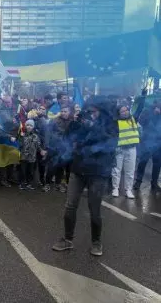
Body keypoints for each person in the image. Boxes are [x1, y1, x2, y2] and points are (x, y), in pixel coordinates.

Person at [52, 97, 118, 257]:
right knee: (70, 205)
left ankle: (96, 242)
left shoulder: (110, 124)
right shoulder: (81, 121)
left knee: (94, 209)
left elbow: (109, 143)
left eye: (93, 111)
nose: (90, 114)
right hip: (78, 169)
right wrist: (74, 123)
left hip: (98, 172)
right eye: (88, 111)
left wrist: (92, 127)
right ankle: (68, 239)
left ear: (100, 111)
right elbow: (68, 138)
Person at [111, 104, 142, 199]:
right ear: (118, 113)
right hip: (119, 149)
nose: (125, 112)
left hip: (132, 148)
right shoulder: (115, 122)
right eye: (122, 111)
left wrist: (142, 96)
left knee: (130, 171)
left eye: (126, 110)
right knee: (116, 170)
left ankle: (128, 190)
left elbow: (139, 108)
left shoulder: (133, 119)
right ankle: (115, 188)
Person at [134, 102, 161, 194]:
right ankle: (138, 182)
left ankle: (154, 183)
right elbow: (141, 121)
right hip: (147, 142)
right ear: (156, 107)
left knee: (157, 164)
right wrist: (153, 114)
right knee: (142, 162)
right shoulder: (147, 112)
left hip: (159, 143)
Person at [19, 120, 45, 191]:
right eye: (27, 125)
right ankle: (22, 183)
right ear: (25, 126)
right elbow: (19, 145)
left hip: (32, 157)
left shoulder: (36, 136)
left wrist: (41, 151)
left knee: (30, 171)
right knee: (23, 171)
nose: (29, 127)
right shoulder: (22, 135)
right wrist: (21, 137)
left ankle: (29, 183)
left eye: (31, 125)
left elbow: (38, 145)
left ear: (33, 127)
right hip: (23, 157)